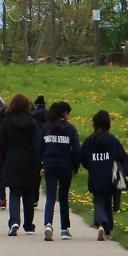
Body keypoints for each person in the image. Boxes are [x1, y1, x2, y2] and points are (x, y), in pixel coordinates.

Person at [81, 110, 128, 241]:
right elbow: (121, 157)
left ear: (94, 124)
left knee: (98, 201)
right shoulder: (112, 141)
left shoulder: (89, 141)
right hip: (110, 177)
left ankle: (100, 223)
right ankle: (106, 229)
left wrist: (91, 166)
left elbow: (83, 159)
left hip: (95, 176)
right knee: (107, 201)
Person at [0, 94, 40, 236]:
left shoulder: (6, 122)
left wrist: (4, 156)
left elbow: (1, 143)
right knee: (28, 192)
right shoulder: (32, 123)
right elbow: (36, 143)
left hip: (12, 159)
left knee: (14, 192)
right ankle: (28, 225)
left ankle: (14, 221)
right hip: (29, 160)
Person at [36, 101, 81, 241]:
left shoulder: (46, 128)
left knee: (50, 195)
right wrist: (75, 166)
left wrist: (42, 164)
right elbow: (77, 151)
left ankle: (48, 225)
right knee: (63, 197)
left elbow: (39, 147)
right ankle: (64, 229)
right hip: (65, 166)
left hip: (49, 165)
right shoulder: (70, 129)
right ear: (65, 113)